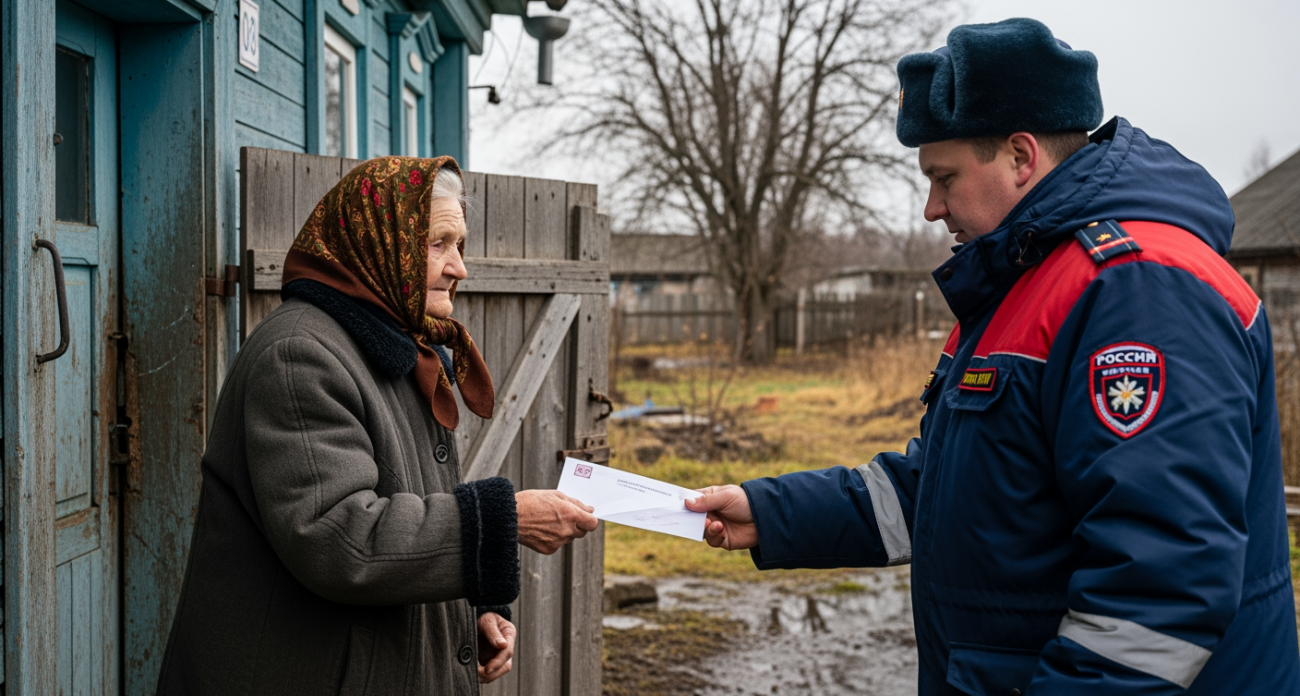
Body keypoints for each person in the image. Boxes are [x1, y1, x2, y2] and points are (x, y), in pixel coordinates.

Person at [687, 18, 1300, 696]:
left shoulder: (1138, 290)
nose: (931, 207)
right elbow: (947, 496)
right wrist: (772, 514)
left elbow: (1157, 592)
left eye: (944, 177)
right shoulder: (1024, 283)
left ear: (1020, 156)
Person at [157, 156, 598, 695]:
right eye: (439, 243)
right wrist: (505, 522)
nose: (459, 268)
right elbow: (340, 539)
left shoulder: (393, 345)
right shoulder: (300, 354)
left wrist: (467, 619)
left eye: (459, 245)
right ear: (376, 239)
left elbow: (406, 521)